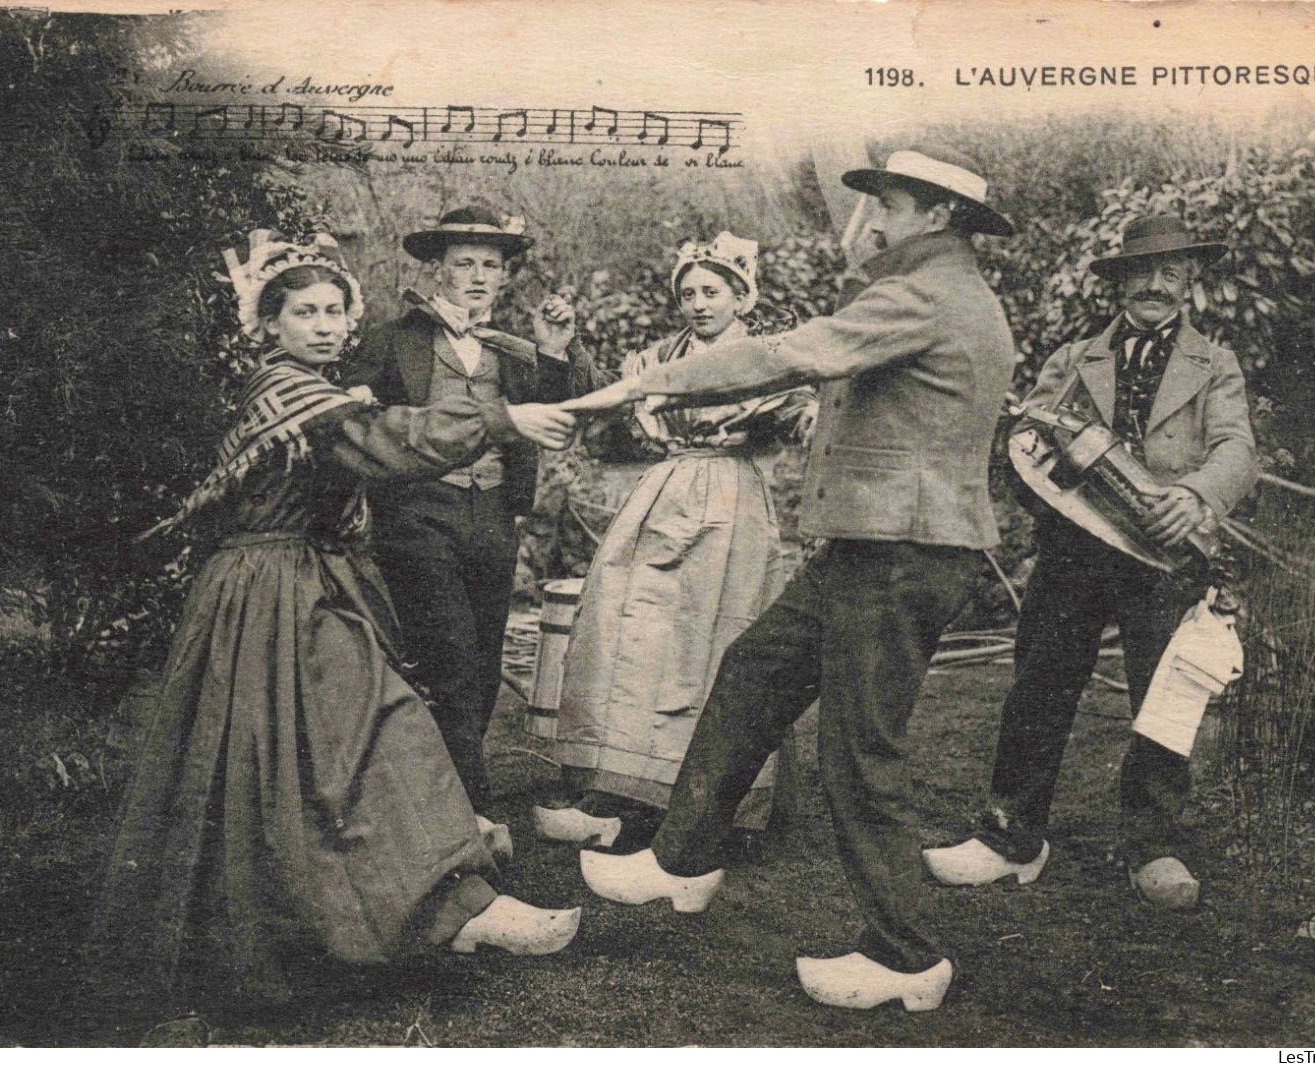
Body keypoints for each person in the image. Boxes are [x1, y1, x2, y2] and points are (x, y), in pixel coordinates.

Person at [564, 147, 1016, 1011]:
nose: (870, 221)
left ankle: (905, 958)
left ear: (938, 216)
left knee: (860, 755)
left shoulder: (923, 293)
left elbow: (783, 355)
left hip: (899, 554)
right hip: (872, 547)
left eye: (886, 205)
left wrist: (640, 386)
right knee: (752, 675)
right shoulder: (935, 286)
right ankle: (681, 862)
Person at [96, 231, 582, 1013]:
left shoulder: (317, 390)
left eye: (333, 312)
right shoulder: (287, 393)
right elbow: (387, 438)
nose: (323, 326)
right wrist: (500, 417)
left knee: (361, 735)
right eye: (303, 313)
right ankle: (421, 913)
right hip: (262, 591)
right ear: (270, 325)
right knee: (337, 739)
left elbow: (378, 426)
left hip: (310, 580)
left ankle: (444, 908)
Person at [922, 213, 1257, 909]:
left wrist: (1194, 496)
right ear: (1118, 282)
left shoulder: (1213, 362)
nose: (1155, 286)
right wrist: (1051, 491)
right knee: (1039, 685)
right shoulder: (1076, 357)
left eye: (1170, 273)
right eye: (1141, 272)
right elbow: (1028, 438)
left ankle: (1152, 845)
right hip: (1073, 552)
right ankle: (1010, 838)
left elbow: (1235, 451)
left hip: (1166, 554)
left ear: (1189, 283)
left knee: (1163, 697)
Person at [531, 232, 816, 848]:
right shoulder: (659, 357)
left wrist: (818, 418)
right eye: (688, 293)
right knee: (625, 627)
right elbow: (611, 411)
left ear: (742, 297)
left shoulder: (766, 358)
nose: (698, 303)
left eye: (712, 292)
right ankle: (616, 788)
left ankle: (710, 802)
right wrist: (570, 350)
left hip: (730, 502)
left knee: (708, 636)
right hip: (661, 495)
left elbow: (802, 413)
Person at [344, 207, 597, 834]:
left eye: (491, 266)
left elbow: (555, 415)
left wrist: (556, 351)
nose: (478, 277)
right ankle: (470, 809)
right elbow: (351, 422)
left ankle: (449, 786)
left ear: (505, 277)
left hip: (491, 517)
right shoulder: (390, 339)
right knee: (449, 657)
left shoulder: (509, 350)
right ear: (438, 269)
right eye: (464, 264)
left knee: (482, 663)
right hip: (417, 514)